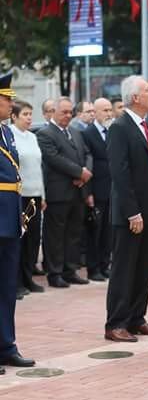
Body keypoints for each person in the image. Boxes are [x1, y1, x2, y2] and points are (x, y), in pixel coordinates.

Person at [105, 76, 148, 343]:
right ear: (134, 97)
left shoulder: (147, 125)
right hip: (130, 214)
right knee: (124, 268)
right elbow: (120, 173)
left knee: (144, 267)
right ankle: (116, 323)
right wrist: (133, 212)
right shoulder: (120, 127)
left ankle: (136, 318)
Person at [36, 97, 93, 288]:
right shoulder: (45, 133)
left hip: (78, 191)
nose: (68, 116)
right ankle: (55, 273)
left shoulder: (75, 132)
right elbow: (54, 159)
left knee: (74, 233)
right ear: (54, 112)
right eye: (64, 112)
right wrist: (79, 172)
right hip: (58, 193)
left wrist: (85, 173)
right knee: (55, 235)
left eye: (70, 112)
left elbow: (87, 154)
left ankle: (70, 270)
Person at [0, 71, 36, 373]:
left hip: (9, 215)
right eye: (5, 100)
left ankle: (7, 345)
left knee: (7, 286)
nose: (10, 106)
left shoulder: (7, 132)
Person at [10, 101, 46, 295]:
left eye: (31, 114)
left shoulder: (33, 137)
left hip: (35, 194)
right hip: (19, 195)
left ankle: (28, 277)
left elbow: (38, 167)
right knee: (19, 240)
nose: (29, 118)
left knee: (33, 239)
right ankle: (15, 282)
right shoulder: (9, 136)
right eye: (25, 114)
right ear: (14, 117)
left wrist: (43, 194)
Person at [82, 98, 114, 281]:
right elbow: (87, 162)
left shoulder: (113, 131)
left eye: (110, 110)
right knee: (95, 230)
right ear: (95, 112)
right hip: (96, 189)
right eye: (105, 110)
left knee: (108, 231)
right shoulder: (88, 133)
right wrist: (89, 193)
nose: (109, 114)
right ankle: (93, 268)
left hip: (112, 190)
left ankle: (104, 265)